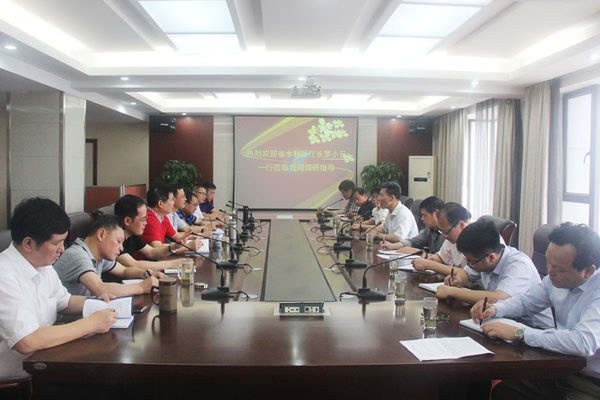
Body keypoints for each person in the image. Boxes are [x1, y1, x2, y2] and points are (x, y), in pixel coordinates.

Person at [471, 223, 600, 399]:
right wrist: (494, 309)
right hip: (561, 368)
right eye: (548, 262)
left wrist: (519, 333)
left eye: (559, 269)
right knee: (506, 391)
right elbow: (526, 302)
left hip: (591, 383)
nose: (549, 271)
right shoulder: (555, 279)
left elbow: (582, 342)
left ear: (588, 271)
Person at [0, 198, 116, 380]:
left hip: (48, 359)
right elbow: (27, 341)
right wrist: (91, 324)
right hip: (20, 378)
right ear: (29, 243)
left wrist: (96, 302)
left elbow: (64, 301)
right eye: (56, 243)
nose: (62, 249)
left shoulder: (42, 263)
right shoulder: (4, 275)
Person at [437, 220, 554, 327]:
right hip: (503, 321)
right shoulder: (483, 257)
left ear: (491, 258)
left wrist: (452, 291)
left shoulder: (518, 266)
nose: (468, 264)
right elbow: (467, 272)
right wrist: (459, 280)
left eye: (471, 261)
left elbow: (498, 298)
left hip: (534, 328)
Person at [53, 215, 161, 297]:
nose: (121, 248)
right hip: (70, 319)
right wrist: (142, 287)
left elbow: (124, 271)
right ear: (101, 234)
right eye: (118, 241)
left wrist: (147, 273)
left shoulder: (98, 255)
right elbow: (100, 289)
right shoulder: (77, 255)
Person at [114, 194, 183, 270]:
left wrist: (173, 247)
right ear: (127, 221)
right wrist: (171, 264)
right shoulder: (114, 239)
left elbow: (152, 253)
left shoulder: (131, 234)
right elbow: (133, 264)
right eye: (143, 219)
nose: (146, 223)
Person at [411, 202, 470, 275]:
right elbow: (441, 257)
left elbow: (467, 274)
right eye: (442, 231)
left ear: (461, 225)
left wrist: (429, 265)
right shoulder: (451, 237)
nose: (444, 236)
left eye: (446, 232)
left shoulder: (474, 238)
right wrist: (429, 259)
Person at [141, 184, 200, 251]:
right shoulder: (149, 219)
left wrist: (191, 237)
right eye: (171, 200)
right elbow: (157, 247)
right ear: (160, 203)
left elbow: (176, 236)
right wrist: (187, 247)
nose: (173, 203)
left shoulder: (163, 217)